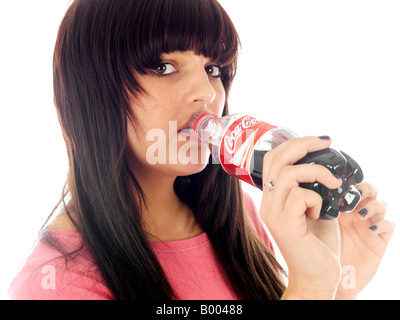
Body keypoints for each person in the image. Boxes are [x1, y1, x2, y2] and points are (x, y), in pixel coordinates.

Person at [9, 0, 394, 300]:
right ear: (91, 91)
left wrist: (336, 283)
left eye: (213, 69)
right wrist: (309, 288)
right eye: (163, 66)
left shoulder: (238, 214)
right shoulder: (56, 284)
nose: (208, 94)